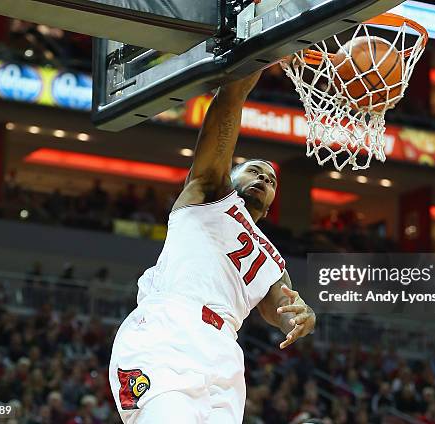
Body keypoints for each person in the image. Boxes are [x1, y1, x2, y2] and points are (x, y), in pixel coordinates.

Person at [109, 71, 316, 423]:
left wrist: (300, 316)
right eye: (254, 171)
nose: (263, 178)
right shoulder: (206, 194)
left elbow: (279, 305)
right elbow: (227, 103)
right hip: (169, 328)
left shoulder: (272, 258)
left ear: (269, 207)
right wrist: (256, 59)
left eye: (271, 180)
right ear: (231, 177)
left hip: (223, 352)